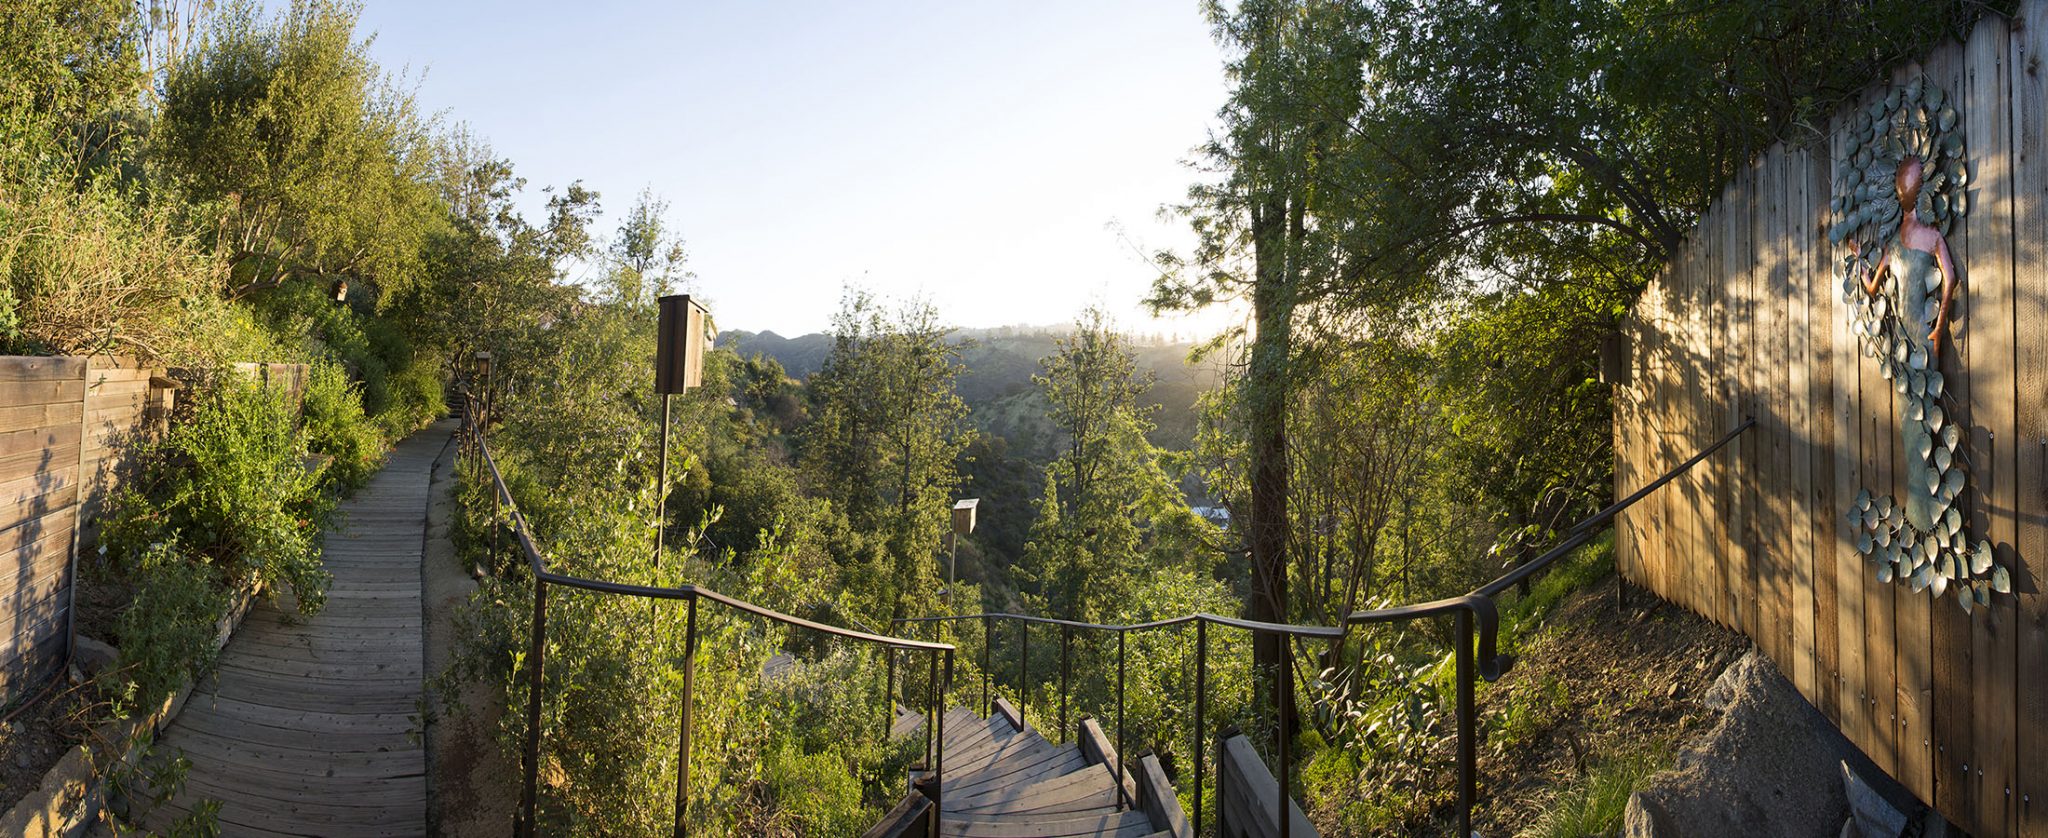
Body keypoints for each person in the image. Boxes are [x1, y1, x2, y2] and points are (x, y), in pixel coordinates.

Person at [1850, 155, 1957, 533]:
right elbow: (1948, 279)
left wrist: (1939, 328)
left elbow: (1873, 286)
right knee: (1914, 423)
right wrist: (1937, 328)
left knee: (1919, 421)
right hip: (1911, 346)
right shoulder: (1918, 240)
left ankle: (1925, 511)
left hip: (1914, 345)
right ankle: (1920, 510)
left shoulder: (1905, 241)